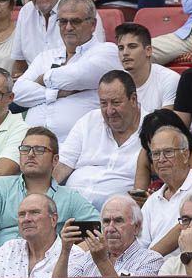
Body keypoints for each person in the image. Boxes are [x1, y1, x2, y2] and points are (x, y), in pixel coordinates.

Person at [12, 0, 120, 143]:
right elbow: (18, 93)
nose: (68, 27)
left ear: (93, 24)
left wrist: (43, 79)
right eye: (63, 21)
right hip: (32, 146)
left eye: (75, 21)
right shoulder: (45, 56)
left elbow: (78, 76)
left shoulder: (107, 51)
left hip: (78, 144)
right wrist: (57, 93)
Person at [0, 127, 99, 249]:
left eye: (39, 150)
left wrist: (71, 255)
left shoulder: (69, 198)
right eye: (25, 149)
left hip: (48, 261)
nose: (30, 154)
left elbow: (102, 229)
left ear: (55, 160)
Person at [54, 71, 142, 213]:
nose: (109, 111)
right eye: (103, 103)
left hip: (114, 216)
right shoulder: (88, 121)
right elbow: (63, 165)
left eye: (116, 102)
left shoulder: (152, 129)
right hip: (68, 207)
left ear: (133, 99)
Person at [140, 126, 192, 255]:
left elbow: (188, 226)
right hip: (156, 265)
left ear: (185, 155)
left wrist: (148, 260)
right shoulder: (152, 200)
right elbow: (140, 243)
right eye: (155, 154)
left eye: (168, 152)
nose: (161, 159)